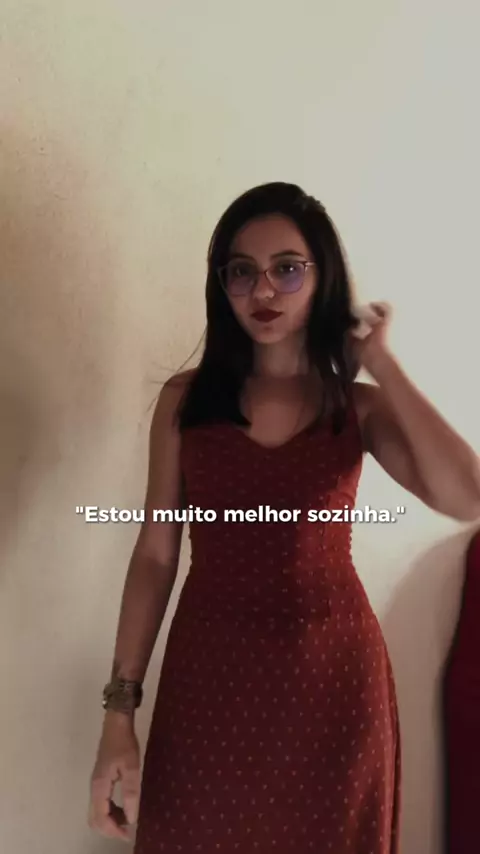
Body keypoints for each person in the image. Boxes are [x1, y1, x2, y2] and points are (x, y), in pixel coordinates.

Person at [87, 182, 480, 853]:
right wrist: (119, 712)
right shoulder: (187, 403)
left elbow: (467, 498)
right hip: (208, 680)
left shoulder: (355, 408)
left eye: (287, 269)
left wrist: (382, 364)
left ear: (323, 279)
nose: (263, 290)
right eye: (242, 271)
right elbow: (155, 554)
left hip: (333, 687)